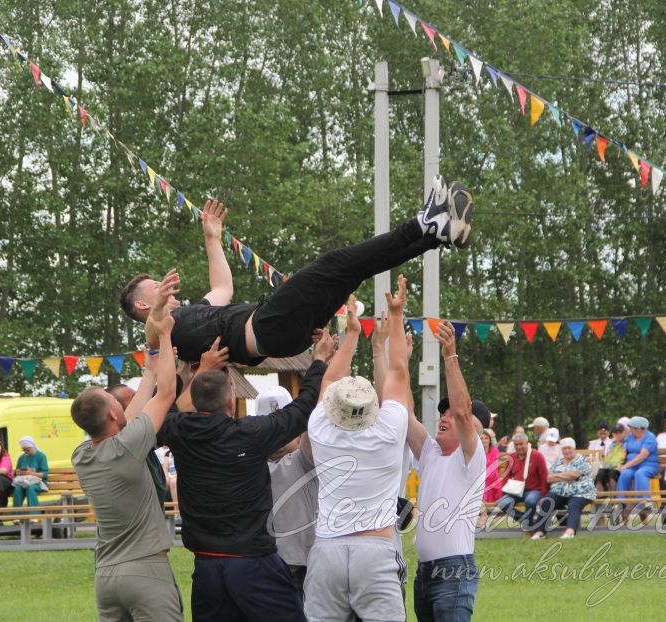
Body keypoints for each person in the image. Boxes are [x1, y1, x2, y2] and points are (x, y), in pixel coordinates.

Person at [120, 178, 474, 365]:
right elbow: (154, 333)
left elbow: (223, 287)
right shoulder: (163, 333)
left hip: (283, 331)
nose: (163, 285)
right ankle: (421, 224)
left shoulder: (192, 312)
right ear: (142, 306)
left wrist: (212, 237)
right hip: (268, 327)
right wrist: (160, 308)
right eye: (155, 286)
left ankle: (435, 236)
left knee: (352, 272)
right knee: (333, 264)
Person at [157, 326, 334, 622]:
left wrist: (190, 371)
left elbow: (166, 405)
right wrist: (318, 361)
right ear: (231, 401)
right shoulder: (251, 434)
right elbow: (303, 407)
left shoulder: (177, 432)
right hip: (253, 562)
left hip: (207, 566)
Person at [70, 276, 184, 622]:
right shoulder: (126, 446)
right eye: (113, 398)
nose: (121, 398)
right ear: (112, 414)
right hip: (145, 572)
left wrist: (150, 365)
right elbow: (166, 394)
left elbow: (130, 415)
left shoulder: (83, 455)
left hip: (105, 577)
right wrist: (163, 335)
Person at [304, 282, 412, 621]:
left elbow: (328, 380)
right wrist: (396, 316)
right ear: (372, 407)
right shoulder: (389, 429)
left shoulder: (320, 429)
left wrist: (351, 334)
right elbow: (398, 371)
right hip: (375, 549)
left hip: (326, 549)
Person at [408, 318, 490, 622]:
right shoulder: (430, 453)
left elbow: (461, 410)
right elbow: (403, 413)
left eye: (451, 417)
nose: (444, 418)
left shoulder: (471, 456)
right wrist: (395, 357)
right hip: (425, 573)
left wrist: (449, 356)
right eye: (441, 414)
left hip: (454, 572)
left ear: (472, 429)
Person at [253, 385, 318, 598]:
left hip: (301, 571)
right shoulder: (251, 464)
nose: (279, 438)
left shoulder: (303, 460)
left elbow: (312, 425)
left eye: (285, 430)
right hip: (261, 570)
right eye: (272, 430)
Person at [110, 381, 169, 508]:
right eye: (134, 397)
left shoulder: (141, 436)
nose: (143, 398)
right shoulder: (120, 446)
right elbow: (166, 395)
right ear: (115, 412)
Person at [530, 438, 596, 540]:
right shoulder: (559, 462)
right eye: (564, 448)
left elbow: (574, 475)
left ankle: (570, 531)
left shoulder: (582, 460)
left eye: (569, 448)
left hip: (581, 492)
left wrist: (559, 476)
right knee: (547, 501)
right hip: (560, 492)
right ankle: (540, 532)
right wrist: (566, 476)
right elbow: (549, 478)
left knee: (574, 504)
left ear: (574, 448)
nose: (567, 451)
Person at [496, 432, 549, 531]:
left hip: (534, 490)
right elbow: (505, 477)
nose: (519, 447)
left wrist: (543, 495)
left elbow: (544, 476)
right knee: (503, 503)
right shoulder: (511, 457)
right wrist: (503, 494)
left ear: (527, 443)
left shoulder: (537, 455)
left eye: (521, 444)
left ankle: (528, 524)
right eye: (516, 444)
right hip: (516, 491)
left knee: (531, 501)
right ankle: (528, 521)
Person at [615, 416, 659, 500]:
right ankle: (620, 502)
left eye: (632, 428)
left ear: (639, 429)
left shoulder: (650, 437)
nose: (630, 430)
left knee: (640, 474)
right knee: (625, 474)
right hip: (633, 466)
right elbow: (620, 445)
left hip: (648, 465)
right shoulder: (630, 436)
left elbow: (642, 456)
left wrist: (626, 465)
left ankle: (644, 502)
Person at [13, 436, 49, 508]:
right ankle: (16, 516)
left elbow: (45, 474)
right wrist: (18, 472)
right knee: (17, 488)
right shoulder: (22, 457)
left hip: (39, 483)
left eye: (28, 450)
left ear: (33, 446)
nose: (26, 452)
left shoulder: (41, 456)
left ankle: (34, 515)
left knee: (31, 488)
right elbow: (16, 472)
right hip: (24, 481)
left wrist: (31, 473)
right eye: (24, 450)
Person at [594, 424, 627, 492]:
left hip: (620, 466)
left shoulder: (626, 444)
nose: (618, 435)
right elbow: (607, 456)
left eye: (620, 433)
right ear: (613, 434)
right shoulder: (611, 444)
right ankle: (599, 497)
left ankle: (614, 497)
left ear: (623, 433)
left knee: (612, 474)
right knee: (600, 473)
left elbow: (624, 457)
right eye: (616, 433)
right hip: (609, 466)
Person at [481, 429, 502, 529]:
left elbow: (493, 467)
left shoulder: (494, 450)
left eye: (486, 438)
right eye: (482, 438)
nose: (484, 440)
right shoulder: (476, 450)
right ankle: (484, 516)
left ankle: (485, 516)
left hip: (492, 478)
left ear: (489, 440)